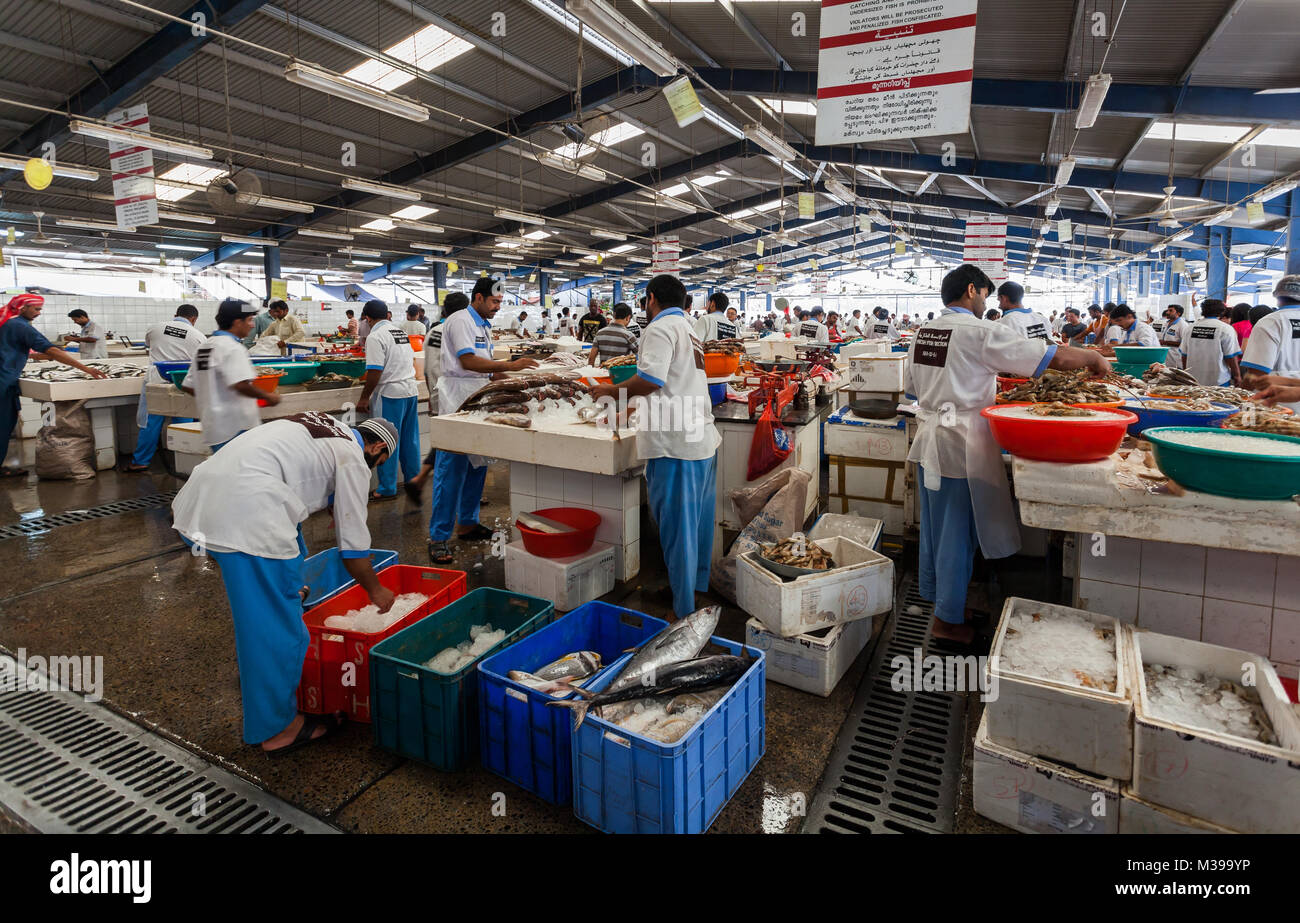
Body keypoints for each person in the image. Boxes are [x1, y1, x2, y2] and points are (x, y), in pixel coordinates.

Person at [171, 413, 399, 754]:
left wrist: (294, 583)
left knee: (276, 593)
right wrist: (375, 589)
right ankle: (279, 728)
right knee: (278, 630)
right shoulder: (353, 457)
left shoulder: (324, 425)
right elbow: (352, 545)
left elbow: (299, 504)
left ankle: (277, 624)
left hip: (205, 498)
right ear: (377, 446)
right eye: (380, 462)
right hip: (246, 514)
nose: (376, 468)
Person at [906, 265, 1109, 644]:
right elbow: (1051, 359)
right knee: (957, 536)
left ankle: (942, 603)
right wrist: (1094, 359)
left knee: (936, 531)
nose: (986, 302)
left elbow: (913, 392)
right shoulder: (979, 331)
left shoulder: (924, 332)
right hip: (959, 449)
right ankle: (947, 622)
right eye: (984, 293)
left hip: (929, 442)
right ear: (972, 290)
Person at [588, 274, 719, 619]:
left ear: (650, 299)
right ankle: (691, 589)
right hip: (700, 439)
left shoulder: (658, 329)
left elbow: (652, 379)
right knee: (696, 528)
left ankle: (684, 613)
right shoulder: (689, 329)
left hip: (674, 445)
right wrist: (630, 408)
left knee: (677, 531)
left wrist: (611, 393)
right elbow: (676, 385)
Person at [428, 277, 539, 563]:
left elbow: (486, 370)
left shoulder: (482, 325)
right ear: (478, 298)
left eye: (500, 302)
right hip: (456, 400)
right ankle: (439, 537)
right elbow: (468, 362)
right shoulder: (461, 320)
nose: (497, 307)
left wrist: (518, 379)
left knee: (477, 465)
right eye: (494, 302)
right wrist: (510, 365)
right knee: (450, 470)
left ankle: (467, 523)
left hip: (477, 398)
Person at [0, 294, 108, 477]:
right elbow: (50, 349)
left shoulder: (7, 323)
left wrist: (39, 355)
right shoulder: (19, 325)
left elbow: (17, 350)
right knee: (2, 426)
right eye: (36, 309)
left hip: (6, 380)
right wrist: (86, 369)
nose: (38, 313)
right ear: (22, 307)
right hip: (4, 382)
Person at [183, 299, 279, 453]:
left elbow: (188, 386)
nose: (252, 325)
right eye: (249, 320)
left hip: (213, 427)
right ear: (237, 322)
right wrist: (269, 397)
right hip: (237, 427)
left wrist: (213, 398)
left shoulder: (205, 346)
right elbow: (240, 385)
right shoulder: (232, 348)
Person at [123, 304, 205, 473]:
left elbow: (149, 346)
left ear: (175, 314)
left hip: (155, 381)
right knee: (184, 423)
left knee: (150, 423)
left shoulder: (154, 328)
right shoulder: (199, 336)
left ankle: (141, 461)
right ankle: (184, 463)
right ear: (194, 319)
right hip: (182, 383)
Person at [355, 299, 421, 501]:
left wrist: (364, 397)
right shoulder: (399, 332)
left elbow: (375, 370)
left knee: (385, 441)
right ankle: (413, 482)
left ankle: (387, 487)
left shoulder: (375, 336)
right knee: (410, 441)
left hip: (390, 393)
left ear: (367, 318)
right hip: (410, 391)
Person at [1240, 276, 1300, 412]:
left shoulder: (1270, 322)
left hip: (1276, 405)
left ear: (1277, 298)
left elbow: (1256, 373)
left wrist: (1238, 395)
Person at [1180, 298, 1242, 388]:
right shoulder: (1226, 329)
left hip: (1193, 380)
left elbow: (1184, 355)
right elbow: (1231, 356)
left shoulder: (1190, 328)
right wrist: (1237, 376)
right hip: (1219, 381)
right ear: (1222, 312)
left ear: (1203, 311)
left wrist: (1186, 373)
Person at [1159, 304, 1188, 368]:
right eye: (1167, 310)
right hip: (1166, 357)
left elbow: (1184, 343)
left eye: (1171, 311)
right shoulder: (1166, 323)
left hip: (1176, 358)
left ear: (1178, 313)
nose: (1167, 312)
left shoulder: (1183, 325)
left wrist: (1165, 342)